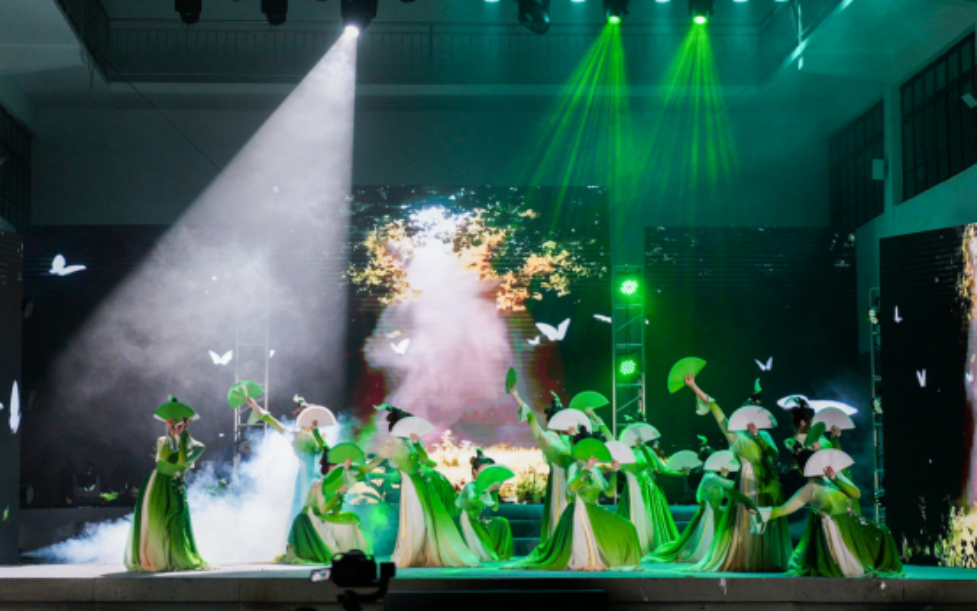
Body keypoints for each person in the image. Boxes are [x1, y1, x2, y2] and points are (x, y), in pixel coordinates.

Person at [685, 374, 793, 572]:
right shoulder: (736, 436)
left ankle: (766, 557)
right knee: (745, 516)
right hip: (746, 481)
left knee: (766, 516)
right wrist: (694, 387)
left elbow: (774, 454)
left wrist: (758, 436)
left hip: (767, 480)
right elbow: (716, 411)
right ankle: (745, 557)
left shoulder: (764, 433)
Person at [752, 451, 903, 578]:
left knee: (883, 531)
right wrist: (759, 510)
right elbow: (784, 509)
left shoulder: (836, 477)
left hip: (853, 523)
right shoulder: (809, 489)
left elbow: (856, 494)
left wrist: (836, 479)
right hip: (834, 530)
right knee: (850, 569)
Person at [507, 435, 642, 571]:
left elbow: (609, 492)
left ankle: (623, 560)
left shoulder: (596, 470)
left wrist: (614, 472)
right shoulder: (574, 467)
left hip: (594, 509)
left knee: (628, 527)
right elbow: (571, 488)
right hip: (580, 509)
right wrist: (586, 469)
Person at [379, 406, 480, 568]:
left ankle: (423, 552)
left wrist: (416, 444)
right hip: (410, 485)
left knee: (424, 520)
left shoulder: (409, 442)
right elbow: (392, 467)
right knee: (415, 521)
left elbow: (425, 460)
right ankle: (413, 553)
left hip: (421, 484)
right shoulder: (392, 444)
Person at [125, 398, 208, 572]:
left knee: (177, 521)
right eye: (174, 423)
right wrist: (172, 435)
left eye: (181, 423)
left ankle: (177, 557)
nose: (177, 426)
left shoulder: (198, 446)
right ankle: (157, 558)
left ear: (187, 424)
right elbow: (166, 458)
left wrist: (182, 437)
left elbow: (182, 460)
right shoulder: (163, 440)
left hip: (176, 485)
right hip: (158, 483)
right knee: (156, 521)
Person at [279, 453, 378, 564]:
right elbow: (323, 509)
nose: (338, 470)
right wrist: (338, 494)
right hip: (310, 520)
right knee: (348, 521)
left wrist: (340, 495)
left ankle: (354, 554)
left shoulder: (336, 485)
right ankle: (346, 553)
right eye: (335, 466)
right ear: (329, 467)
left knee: (351, 517)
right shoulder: (320, 484)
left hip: (322, 518)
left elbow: (335, 511)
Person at [247, 396, 331, 521]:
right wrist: (255, 407)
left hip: (319, 477)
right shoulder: (295, 437)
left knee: (320, 511)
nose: (307, 423)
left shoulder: (322, 434)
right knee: (302, 509)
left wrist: (316, 433)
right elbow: (274, 423)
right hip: (303, 478)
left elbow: (327, 451)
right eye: (304, 419)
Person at [510, 389, 576, 544]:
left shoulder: (566, 439)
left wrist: (575, 437)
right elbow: (532, 419)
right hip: (559, 480)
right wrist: (518, 398)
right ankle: (558, 545)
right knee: (560, 511)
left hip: (573, 480)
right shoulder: (547, 438)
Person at [646, 450, 735, 564]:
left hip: (714, 512)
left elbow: (723, 490)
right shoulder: (710, 477)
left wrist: (723, 475)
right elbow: (730, 484)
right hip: (709, 514)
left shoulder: (712, 477)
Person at [612, 417, 683, 555]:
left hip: (649, 488)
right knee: (634, 516)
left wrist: (681, 474)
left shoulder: (648, 450)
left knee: (651, 517)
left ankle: (651, 543)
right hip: (633, 488)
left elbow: (659, 467)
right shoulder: (625, 453)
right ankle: (635, 544)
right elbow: (622, 470)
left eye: (639, 436)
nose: (636, 439)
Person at [456, 449, 514, 562]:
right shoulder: (471, 486)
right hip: (467, 521)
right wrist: (488, 489)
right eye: (483, 471)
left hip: (477, 519)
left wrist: (495, 491)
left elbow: (495, 508)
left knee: (502, 522)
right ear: (475, 472)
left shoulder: (486, 487)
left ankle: (501, 553)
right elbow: (473, 500)